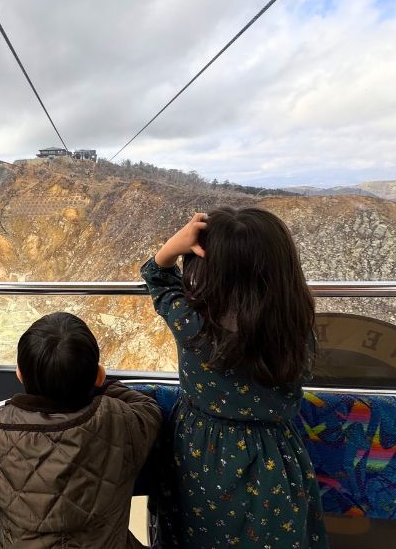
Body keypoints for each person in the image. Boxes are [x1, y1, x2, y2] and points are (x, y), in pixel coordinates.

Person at [142, 207, 328, 549]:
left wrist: (171, 248)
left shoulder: (191, 325)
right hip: (273, 459)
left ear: (205, 273)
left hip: (199, 456)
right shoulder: (295, 329)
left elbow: (158, 278)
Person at [0, 312, 162, 548]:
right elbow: (148, 408)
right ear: (98, 376)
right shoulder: (119, 420)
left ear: (19, 374)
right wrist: (99, 384)